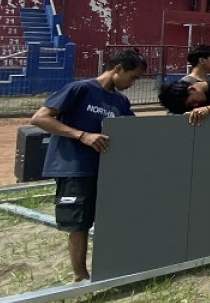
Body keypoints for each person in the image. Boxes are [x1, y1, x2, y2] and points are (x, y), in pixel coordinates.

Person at [29, 48, 147, 282]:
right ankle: (80, 277)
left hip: (105, 170)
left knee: (108, 218)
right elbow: (40, 118)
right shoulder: (80, 89)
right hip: (75, 167)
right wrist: (82, 135)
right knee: (78, 223)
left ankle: (110, 268)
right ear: (118, 69)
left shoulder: (120, 101)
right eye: (132, 77)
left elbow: (133, 131)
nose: (133, 83)